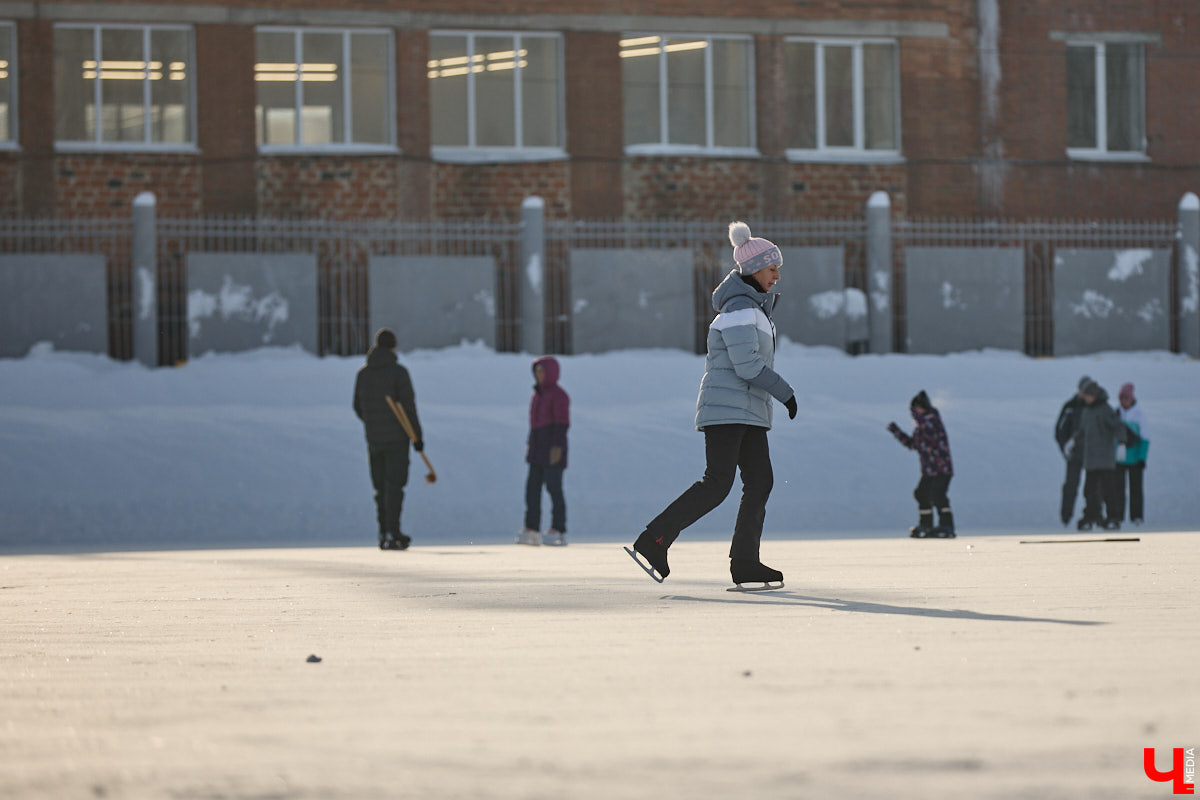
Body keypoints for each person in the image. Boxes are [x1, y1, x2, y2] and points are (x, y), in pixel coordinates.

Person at [626, 221, 798, 590]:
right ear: (753, 269)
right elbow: (748, 365)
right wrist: (785, 392)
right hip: (727, 409)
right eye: (772, 269)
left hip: (748, 410)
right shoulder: (739, 309)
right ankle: (654, 540)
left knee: (760, 481)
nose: (777, 276)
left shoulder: (754, 309)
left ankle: (746, 562)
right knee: (718, 483)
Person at [353, 327, 424, 550]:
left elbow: (357, 406)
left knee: (380, 487)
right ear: (393, 346)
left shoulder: (363, 373)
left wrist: (372, 424)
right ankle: (393, 531)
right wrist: (417, 437)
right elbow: (408, 408)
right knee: (395, 486)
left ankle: (384, 531)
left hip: (373, 438)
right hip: (396, 440)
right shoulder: (398, 372)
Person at [518, 356, 570, 547]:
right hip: (537, 448)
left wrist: (557, 447)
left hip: (552, 449)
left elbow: (561, 423)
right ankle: (532, 529)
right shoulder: (536, 395)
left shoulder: (559, 395)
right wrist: (530, 445)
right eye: (536, 371)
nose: (538, 375)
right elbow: (534, 425)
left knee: (554, 488)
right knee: (532, 489)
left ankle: (559, 529)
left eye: (542, 371)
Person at [888, 390, 956, 538]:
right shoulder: (921, 427)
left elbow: (931, 438)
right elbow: (913, 445)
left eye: (916, 410)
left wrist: (919, 418)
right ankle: (927, 525)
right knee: (921, 494)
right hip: (929, 470)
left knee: (938, 495)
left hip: (941, 468)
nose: (914, 414)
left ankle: (947, 526)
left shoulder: (932, 421)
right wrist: (897, 432)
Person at [1074, 379, 1123, 531]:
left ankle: (1113, 517)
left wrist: (1121, 443)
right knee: (1089, 490)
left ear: (1094, 395)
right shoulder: (1086, 411)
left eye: (1088, 396)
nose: (1086, 398)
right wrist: (1073, 441)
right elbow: (1082, 431)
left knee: (1108, 490)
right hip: (1091, 460)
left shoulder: (1105, 409)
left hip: (1105, 459)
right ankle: (1091, 516)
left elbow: (1118, 426)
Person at [1054, 375, 1091, 525]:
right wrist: (1065, 448)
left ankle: (1093, 516)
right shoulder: (1070, 406)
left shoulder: (1095, 406)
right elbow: (1059, 430)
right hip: (1074, 455)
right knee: (1070, 486)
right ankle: (1066, 516)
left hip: (1092, 454)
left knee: (1094, 487)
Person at [1114, 382, 1149, 524]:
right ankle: (1118, 515)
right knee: (1118, 489)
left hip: (1135, 459)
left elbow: (1145, 439)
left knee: (1136, 489)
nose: (1124, 401)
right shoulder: (1116, 413)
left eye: (1126, 399)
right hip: (1119, 459)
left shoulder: (1139, 415)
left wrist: (1142, 458)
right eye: (1122, 399)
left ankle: (1136, 516)